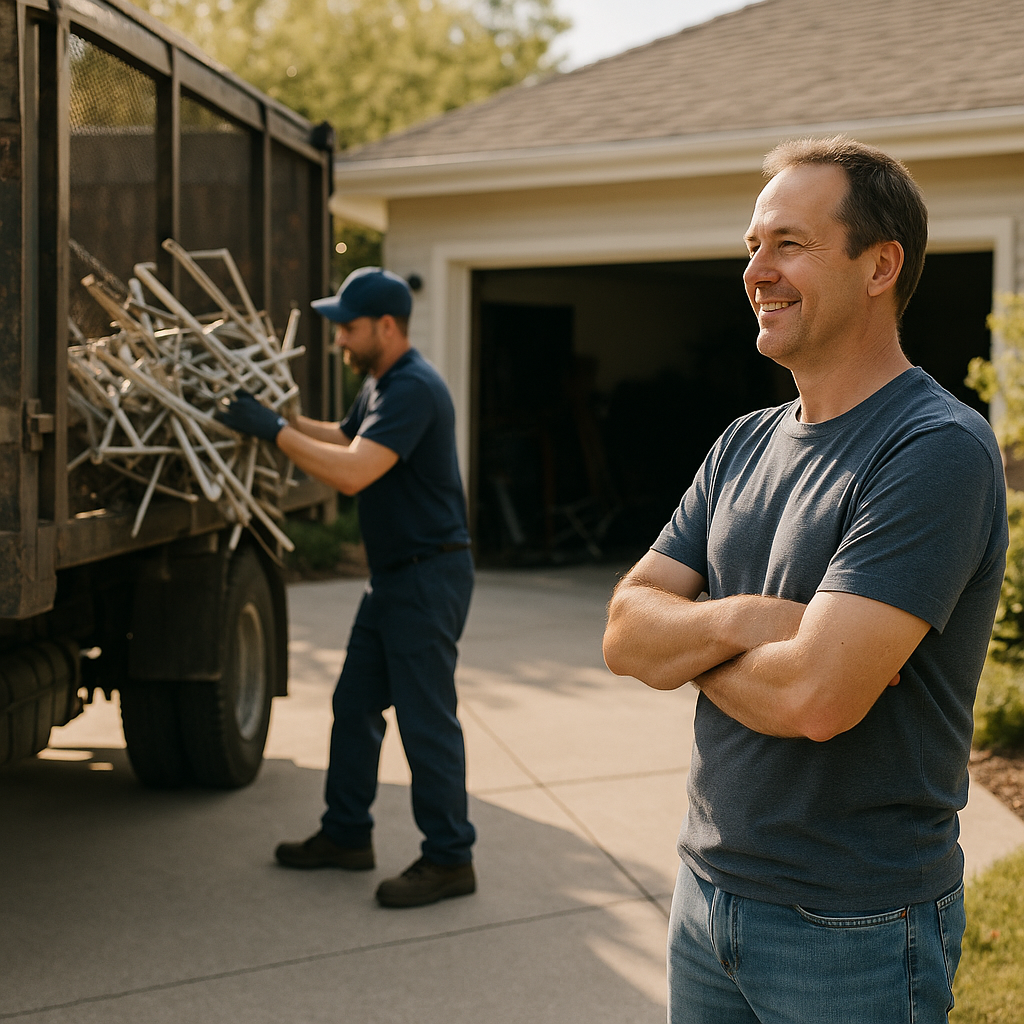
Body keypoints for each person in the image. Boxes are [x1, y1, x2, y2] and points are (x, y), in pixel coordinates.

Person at [602, 137, 1008, 1023]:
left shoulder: (933, 449)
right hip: (705, 895)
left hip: (854, 925)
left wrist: (693, 644)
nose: (758, 270)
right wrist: (750, 620)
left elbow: (817, 699)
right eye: (753, 246)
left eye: (789, 243)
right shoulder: (743, 441)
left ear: (880, 266)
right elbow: (626, 633)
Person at [217, 267, 476, 908]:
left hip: (427, 577)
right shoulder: (383, 383)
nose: (339, 341)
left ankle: (449, 859)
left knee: (425, 721)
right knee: (354, 704)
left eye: (349, 328)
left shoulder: (413, 386)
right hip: (396, 578)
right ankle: (346, 835)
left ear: (386, 326)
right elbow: (345, 437)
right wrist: (281, 419)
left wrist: (271, 432)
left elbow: (357, 471)